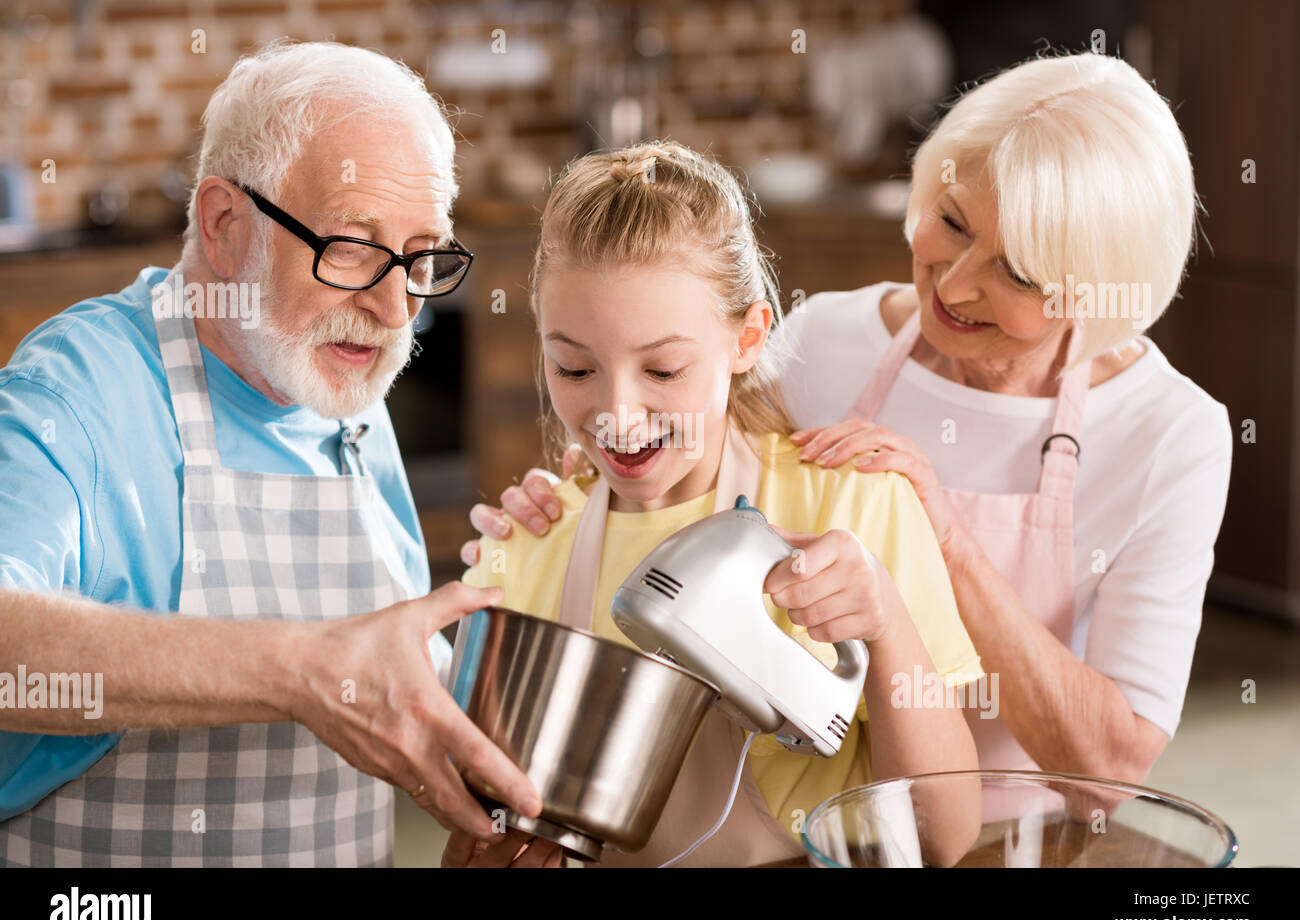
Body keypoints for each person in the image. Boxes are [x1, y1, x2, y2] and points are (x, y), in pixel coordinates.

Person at [467, 52, 1232, 787]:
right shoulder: (827, 340)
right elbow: (673, 446)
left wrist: (949, 545)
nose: (955, 286)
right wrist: (579, 485)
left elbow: (1112, 770)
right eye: (954, 222)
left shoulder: (1169, 434)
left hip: (1032, 830)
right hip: (843, 812)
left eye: (1018, 271)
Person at [0, 40, 540, 866]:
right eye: (351, 246)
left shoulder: (342, 396)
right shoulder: (82, 391)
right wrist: (301, 671)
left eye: (421, 255)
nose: (396, 310)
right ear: (225, 225)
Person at [449, 140, 983, 869]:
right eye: (574, 366)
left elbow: (940, 838)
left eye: (663, 368)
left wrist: (885, 623)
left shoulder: (856, 503)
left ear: (748, 337)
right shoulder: (527, 544)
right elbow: (471, 836)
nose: (619, 415)